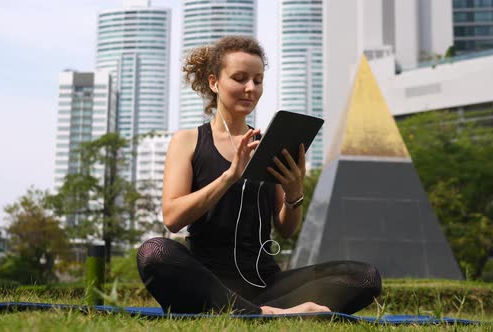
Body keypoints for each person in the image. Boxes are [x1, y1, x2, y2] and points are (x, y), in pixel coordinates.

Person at [137, 36, 381, 315]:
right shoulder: (188, 140)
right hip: (207, 279)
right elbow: (172, 218)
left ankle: (249, 311)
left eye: (258, 80)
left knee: (365, 277)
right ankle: (267, 314)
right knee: (154, 252)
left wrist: (294, 194)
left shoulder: (269, 144)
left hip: (266, 281)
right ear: (214, 82)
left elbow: (286, 229)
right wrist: (229, 177)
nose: (250, 88)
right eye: (240, 78)